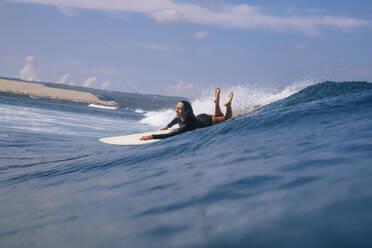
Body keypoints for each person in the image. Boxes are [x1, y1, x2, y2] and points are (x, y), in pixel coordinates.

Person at [140, 88, 233, 140]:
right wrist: (167, 126)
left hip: (206, 121)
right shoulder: (182, 117)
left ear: (186, 111)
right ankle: (217, 102)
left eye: (179, 109)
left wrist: (151, 137)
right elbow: (176, 119)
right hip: (201, 117)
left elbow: (169, 135)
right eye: (176, 108)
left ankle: (227, 105)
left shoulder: (187, 125)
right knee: (219, 116)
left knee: (226, 118)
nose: (176, 110)